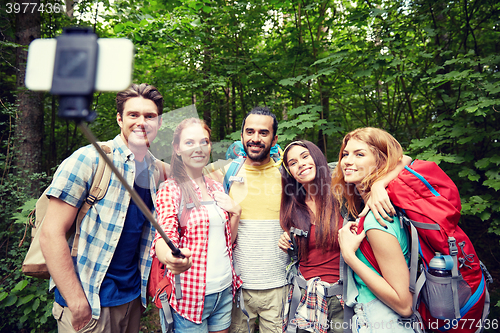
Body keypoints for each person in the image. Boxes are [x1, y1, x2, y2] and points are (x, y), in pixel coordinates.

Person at [40, 83, 165, 332]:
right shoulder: (89, 159)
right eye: (133, 115)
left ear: (159, 123)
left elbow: (197, 176)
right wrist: (77, 303)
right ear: (120, 119)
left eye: (150, 116)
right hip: (89, 302)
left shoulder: (155, 171)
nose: (142, 122)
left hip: (130, 300)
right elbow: (50, 234)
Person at [277, 140, 412, 333]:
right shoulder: (293, 205)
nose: (301, 164)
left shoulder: (343, 190)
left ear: (316, 156)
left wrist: (378, 186)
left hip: (342, 299)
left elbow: (404, 159)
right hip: (305, 298)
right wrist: (288, 242)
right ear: (290, 171)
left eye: (305, 156)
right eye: (292, 163)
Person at [152, 117, 243, 333]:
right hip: (191, 297)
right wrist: (170, 257)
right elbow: (163, 237)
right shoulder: (171, 189)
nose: (199, 148)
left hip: (224, 291)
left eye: (204, 142)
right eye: (189, 142)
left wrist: (236, 213)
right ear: (177, 148)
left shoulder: (216, 187)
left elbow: (226, 240)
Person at [334, 127, 414, 332]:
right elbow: (405, 159)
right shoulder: (372, 210)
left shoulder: (377, 221)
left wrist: (349, 255)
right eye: (345, 154)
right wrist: (380, 184)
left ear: (380, 162)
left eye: (359, 154)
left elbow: (404, 305)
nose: (347, 161)